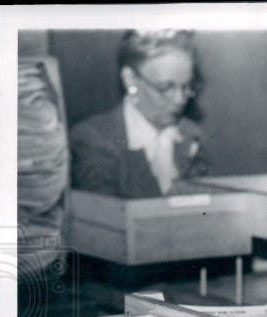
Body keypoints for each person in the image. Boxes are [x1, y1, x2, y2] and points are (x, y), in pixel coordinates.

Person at [71, 30, 208, 198]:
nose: (180, 99)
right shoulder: (92, 140)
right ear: (130, 79)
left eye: (187, 87)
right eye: (165, 87)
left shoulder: (191, 135)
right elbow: (105, 218)